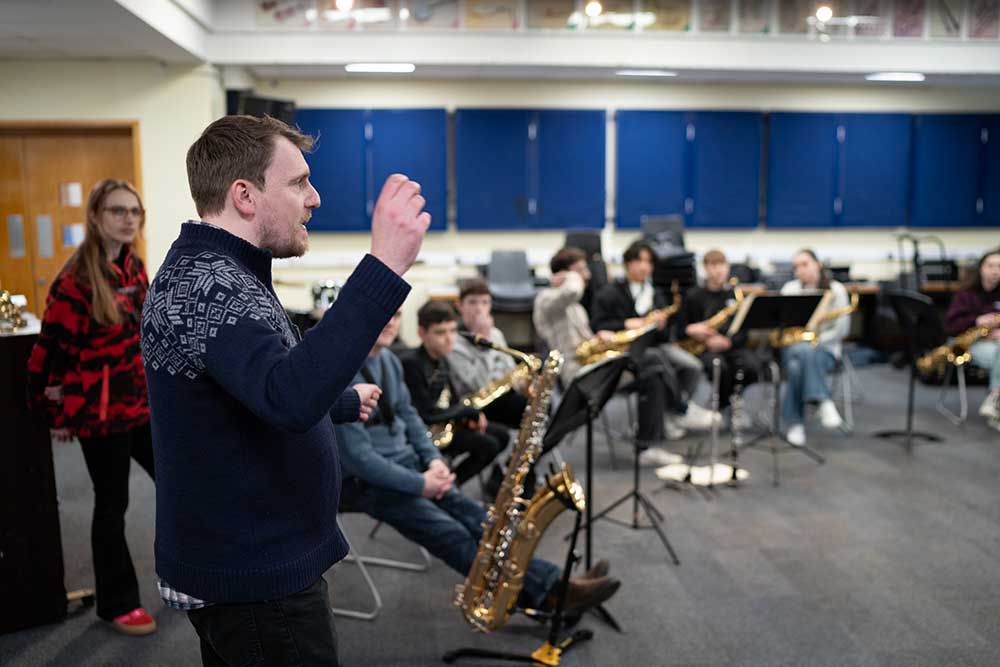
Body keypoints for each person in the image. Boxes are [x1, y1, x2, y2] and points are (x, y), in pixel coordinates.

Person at [141, 115, 427, 666]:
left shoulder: (227, 272)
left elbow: (252, 385)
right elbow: (287, 397)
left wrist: (340, 402)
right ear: (244, 196)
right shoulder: (207, 283)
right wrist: (386, 264)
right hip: (254, 577)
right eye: (298, 183)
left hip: (254, 561)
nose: (314, 198)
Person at [335, 309, 621, 617]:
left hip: (408, 467)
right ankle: (547, 595)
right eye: (382, 313)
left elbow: (411, 418)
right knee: (451, 532)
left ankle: (552, 585)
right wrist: (422, 484)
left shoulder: (388, 360)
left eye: (396, 314)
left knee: (483, 519)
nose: (389, 320)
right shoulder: (341, 374)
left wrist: (433, 462)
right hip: (363, 484)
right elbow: (361, 460)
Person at [26, 179, 156, 636]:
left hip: (140, 402)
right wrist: (55, 415)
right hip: (98, 414)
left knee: (180, 479)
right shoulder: (74, 281)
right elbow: (49, 352)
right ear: (97, 217)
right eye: (118, 211)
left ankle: (192, 571)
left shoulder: (134, 266)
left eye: (135, 212)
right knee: (113, 502)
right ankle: (117, 604)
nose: (128, 219)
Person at [535, 246, 712, 468]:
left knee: (654, 374)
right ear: (566, 274)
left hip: (595, 364)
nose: (587, 275)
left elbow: (586, 341)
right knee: (652, 359)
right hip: (578, 375)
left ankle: (647, 447)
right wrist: (569, 277)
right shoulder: (547, 300)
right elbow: (571, 291)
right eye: (581, 270)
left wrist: (602, 338)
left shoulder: (576, 308)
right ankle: (681, 409)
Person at [590, 241, 716, 447]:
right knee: (658, 363)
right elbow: (597, 325)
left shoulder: (656, 294)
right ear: (628, 263)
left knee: (691, 366)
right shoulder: (609, 293)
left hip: (654, 345)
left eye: (649, 262)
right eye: (639, 260)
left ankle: (668, 415)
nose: (644, 266)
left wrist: (661, 326)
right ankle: (681, 408)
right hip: (625, 351)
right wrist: (627, 323)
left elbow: (665, 337)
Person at [400, 300, 507, 488]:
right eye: (440, 332)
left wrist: (467, 416)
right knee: (488, 445)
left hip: (443, 423)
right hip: (424, 431)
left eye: (452, 331)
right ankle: (448, 488)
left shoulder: (442, 359)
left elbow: (452, 400)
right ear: (421, 334)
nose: (449, 338)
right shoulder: (412, 363)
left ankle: (449, 484)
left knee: (502, 436)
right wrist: (467, 413)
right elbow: (426, 413)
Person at [679, 249, 763, 426]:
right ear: (705, 268)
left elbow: (744, 330)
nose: (718, 271)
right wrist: (695, 331)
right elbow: (681, 328)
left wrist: (728, 342)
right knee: (719, 367)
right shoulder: (694, 296)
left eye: (722, 265)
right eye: (713, 266)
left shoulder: (735, 295)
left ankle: (729, 399)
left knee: (752, 366)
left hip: (730, 345)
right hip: (704, 346)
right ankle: (727, 404)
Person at [778, 249, 851, 447]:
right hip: (793, 347)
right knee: (802, 352)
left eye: (805, 264)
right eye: (796, 266)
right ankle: (822, 399)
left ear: (818, 264)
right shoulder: (790, 289)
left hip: (826, 350)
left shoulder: (836, 290)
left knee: (796, 366)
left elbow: (842, 330)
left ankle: (795, 424)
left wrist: (815, 341)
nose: (800, 270)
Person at [448, 278, 529, 430]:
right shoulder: (454, 342)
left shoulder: (496, 334)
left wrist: (525, 386)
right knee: (524, 409)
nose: (479, 309)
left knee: (536, 404)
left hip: (503, 393)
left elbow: (510, 370)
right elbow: (480, 385)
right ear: (459, 305)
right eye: (472, 302)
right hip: (479, 403)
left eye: (485, 302)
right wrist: (483, 341)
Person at [944, 248, 1000, 431]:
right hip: (970, 344)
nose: (995, 270)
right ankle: (995, 399)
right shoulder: (966, 294)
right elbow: (951, 326)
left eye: (999, 266)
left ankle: (994, 400)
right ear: (981, 268)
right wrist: (976, 320)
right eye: (990, 265)